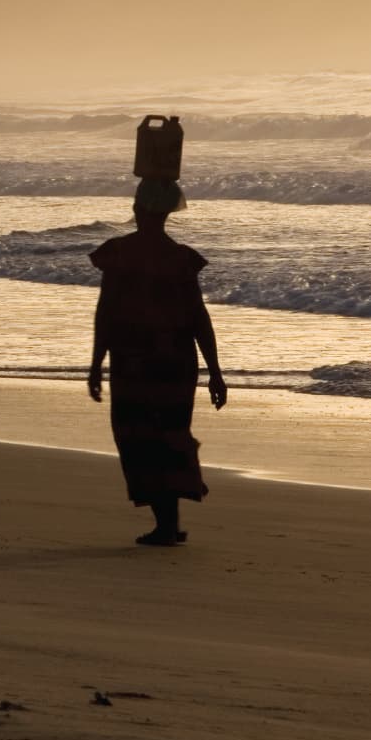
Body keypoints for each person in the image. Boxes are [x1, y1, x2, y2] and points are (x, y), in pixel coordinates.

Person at [87, 180, 227, 546]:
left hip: (133, 363)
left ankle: (167, 523)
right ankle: (170, 519)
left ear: (137, 211)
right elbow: (199, 318)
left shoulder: (119, 254)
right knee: (170, 435)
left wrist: (95, 363)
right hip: (176, 363)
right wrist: (214, 371)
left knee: (138, 439)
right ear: (167, 214)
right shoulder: (180, 258)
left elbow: (106, 313)